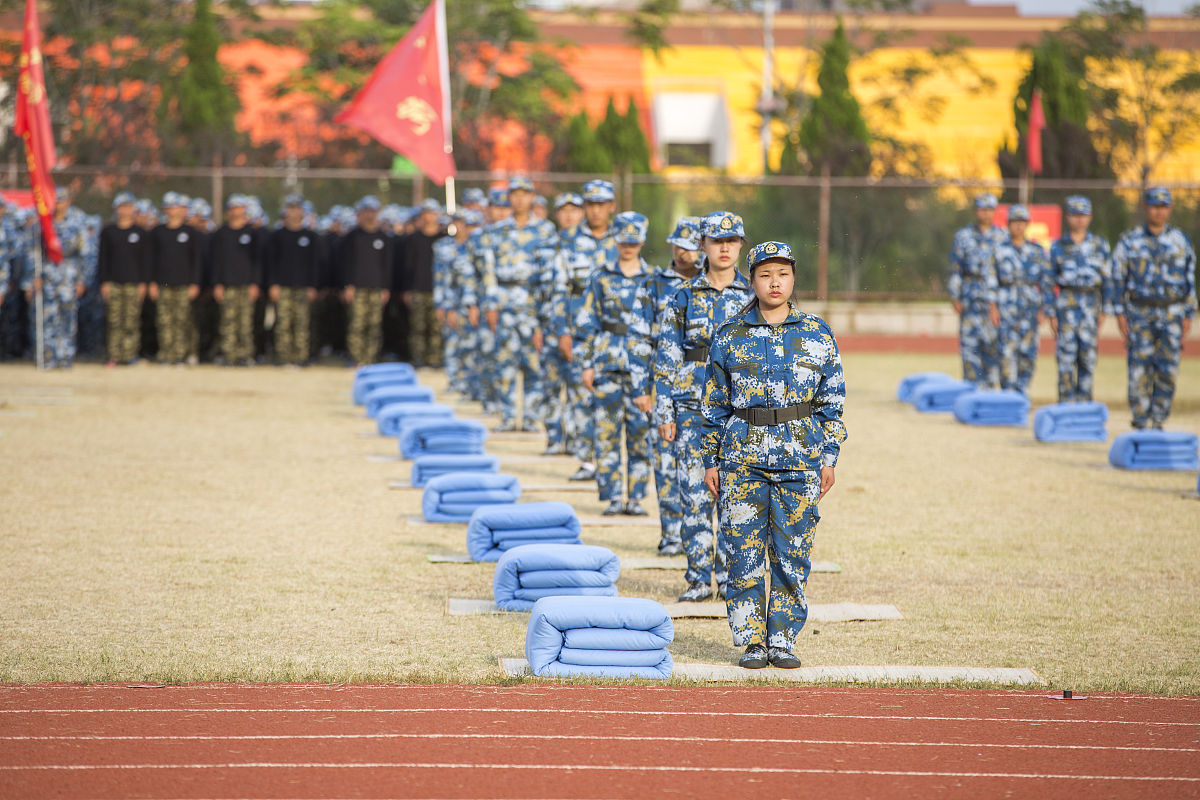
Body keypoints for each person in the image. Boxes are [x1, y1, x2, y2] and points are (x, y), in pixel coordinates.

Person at [701, 241, 847, 670]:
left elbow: (832, 402)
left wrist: (829, 457)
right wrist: (710, 459)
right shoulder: (729, 334)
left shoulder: (817, 333)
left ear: (793, 278)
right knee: (743, 551)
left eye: (782, 274)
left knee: (791, 552)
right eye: (765, 275)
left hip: (800, 458)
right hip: (741, 459)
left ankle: (782, 638)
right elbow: (713, 405)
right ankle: (751, 640)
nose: (774, 282)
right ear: (752, 281)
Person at [654, 211, 753, 602]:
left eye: (732, 240)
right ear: (703, 246)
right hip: (691, 408)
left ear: (741, 245)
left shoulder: (752, 296)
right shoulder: (683, 296)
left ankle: (729, 578)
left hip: (737, 413)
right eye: (717, 240)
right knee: (694, 495)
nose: (725, 247)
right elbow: (666, 355)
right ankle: (697, 579)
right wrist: (664, 411)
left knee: (733, 496)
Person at [631, 216, 702, 555]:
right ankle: (672, 533)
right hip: (665, 386)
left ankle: (703, 534)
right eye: (678, 244)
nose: (682, 251)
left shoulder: (714, 284)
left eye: (689, 245)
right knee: (666, 462)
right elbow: (639, 339)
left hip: (707, 389)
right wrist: (641, 388)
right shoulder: (654, 284)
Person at [577, 211, 654, 516]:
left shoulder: (654, 279)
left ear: (643, 241)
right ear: (616, 240)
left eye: (634, 241)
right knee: (606, 433)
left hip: (641, 368)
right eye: (623, 240)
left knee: (639, 433)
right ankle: (611, 496)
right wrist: (586, 363)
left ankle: (635, 497)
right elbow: (587, 322)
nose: (628, 246)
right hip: (606, 362)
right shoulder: (600, 276)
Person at [476, 177, 557, 431]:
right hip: (505, 302)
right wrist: (490, 304)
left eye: (525, 194)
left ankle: (532, 417)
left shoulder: (546, 230)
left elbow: (552, 273)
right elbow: (488, 270)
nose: (520, 199)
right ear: (509, 198)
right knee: (505, 361)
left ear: (533, 197)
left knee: (535, 362)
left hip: (534, 304)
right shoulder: (496, 231)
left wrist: (547, 310)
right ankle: (509, 416)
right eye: (515, 194)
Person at [1112, 186, 1196, 429]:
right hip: (1140, 313)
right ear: (1145, 207)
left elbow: (1189, 279)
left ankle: (1159, 419)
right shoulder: (1129, 241)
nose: (1158, 212)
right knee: (1139, 368)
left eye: (1163, 207)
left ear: (1169, 209)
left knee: (1167, 368)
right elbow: (1118, 278)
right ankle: (1139, 420)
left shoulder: (1180, 241)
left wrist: (1189, 312)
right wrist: (1119, 312)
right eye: (1154, 206)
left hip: (1172, 313)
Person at [554, 180, 617, 480]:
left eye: (601, 204)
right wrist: (562, 331)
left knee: (616, 396)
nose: (595, 210)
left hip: (616, 330)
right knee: (581, 394)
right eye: (590, 205)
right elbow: (558, 289)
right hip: (580, 328)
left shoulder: (623, 240)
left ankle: (612, 460)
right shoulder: (567, 242)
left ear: (611, 207)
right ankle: (587, 460)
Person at [1047, 195, 1116, 402]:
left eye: (1083, 215)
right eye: (1075, 215)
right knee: (1066, 358)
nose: (1079, 219)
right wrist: (1051, 313)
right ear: (1067, 217)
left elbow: (1108, 280)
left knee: (1087, 357)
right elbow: (1049, 282)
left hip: (1090, 304)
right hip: (1066, 304)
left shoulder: (1099, 245)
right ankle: (1066, 404)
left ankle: (1085, 403)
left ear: (1090, 217)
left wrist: (1105, 310)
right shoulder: (1058, 246)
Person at [22, 188, 89, 369]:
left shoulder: (77, 223)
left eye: (62, 200)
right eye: (56, 201)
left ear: (68, 202)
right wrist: (33, 278)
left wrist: (81, 279)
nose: (59, 204)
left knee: (67, 317)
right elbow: (33, 253)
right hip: (46, 276)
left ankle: (65, 357)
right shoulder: (42, 224)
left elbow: (84, 253)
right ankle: (47, 357)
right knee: (47, 317)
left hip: (69, 275)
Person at [540, 192, 585, 455]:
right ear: (556, 215)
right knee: (552, 386)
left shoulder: (590, 247)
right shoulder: (546, 246)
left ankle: (579, 440)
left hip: (580, 327)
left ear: (581, 213)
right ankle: (555, 438)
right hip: (549, 325)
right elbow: (539, 290)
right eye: (563, 210)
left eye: (574, 210)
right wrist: (537, 326)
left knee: (580, 388)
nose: (569, 215)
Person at [993, 204, 1051, 394]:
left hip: (1029, 310)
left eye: (1022, 222)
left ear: (1027, 225)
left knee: (1028, 355)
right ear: (1008, 224)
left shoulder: (1037, 251)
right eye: (1014, 222)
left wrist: (1045, 309)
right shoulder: (999, 250)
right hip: (1006, 308)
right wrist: (992, 306)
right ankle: (1007, 395)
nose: (1018, 226)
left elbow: (1045, 282)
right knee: (1005, 354)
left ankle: (1022, 393)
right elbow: (991, 280)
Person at [948, 193, 1003, 388]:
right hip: (970, 297)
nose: (985, 214)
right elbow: (956, 268)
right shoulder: (963, 236)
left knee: (992, 346)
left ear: (994, 212)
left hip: (993, 302)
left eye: (989, 210)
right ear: (976, 211)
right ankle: (970, 391)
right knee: (970, 348)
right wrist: (955, 296)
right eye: (982, 209)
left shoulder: (1002, 237)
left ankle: (989, 391)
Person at [265, 193, 324, 366]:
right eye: (290, 208)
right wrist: (273, 284)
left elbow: (315, 264)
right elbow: (271, 262)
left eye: (297, 208)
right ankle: (283, 357)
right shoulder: (276, 236)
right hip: (282, 286)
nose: (294, 212)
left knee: (301, 322)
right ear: (285, 211)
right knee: (283, 322)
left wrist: (313, 286)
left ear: (302, 212)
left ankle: (300, 357)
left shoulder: (311, 237)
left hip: (303, 287)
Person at [339, 195, 394, 366]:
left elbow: (387, 265)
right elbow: (345, 263)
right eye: (366, 212)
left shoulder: (384, 238)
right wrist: (347, 285)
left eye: (373, 212)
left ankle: (371, 358)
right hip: (357, 289)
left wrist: (385, 287)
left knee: (374, 325)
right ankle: (356, 358)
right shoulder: (351, 237)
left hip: (377, 288)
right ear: (359, 214)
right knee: (357, 324)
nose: (370, 216)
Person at [148, 191, 202, 365]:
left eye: (178, 207)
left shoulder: (191, 233)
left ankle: (181, 355)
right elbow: (151, 259)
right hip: (163, 284)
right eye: (171, 207)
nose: (174, 210)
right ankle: (166, 354)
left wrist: (195, 282)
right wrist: (152, 282)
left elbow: (196, 260)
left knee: (182, 320)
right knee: (164, 321)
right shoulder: (158, 232)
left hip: (184, 284)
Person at [97, 191, 149, 366]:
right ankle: (114, 355)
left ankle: (129, 354)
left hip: (134, 283)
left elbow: (145, 260)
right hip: (114, 283)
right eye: (122, 207)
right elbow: (103, 259)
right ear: (116, 209)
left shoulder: (140, 233)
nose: (125, 210)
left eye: (128, 207)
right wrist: (104, 282)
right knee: (114, 320)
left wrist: (143, 283)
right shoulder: (108, 232)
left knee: (131, 320)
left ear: (134, 209)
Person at [210, 194, 262, 366]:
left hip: (246, 285)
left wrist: (255, 283)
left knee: (245, 322)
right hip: (227, 284)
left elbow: (257, 261)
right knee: (228, 322)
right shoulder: (221, 234)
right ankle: (228, 355)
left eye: (239, 207)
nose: (236, 211)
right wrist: (217, 283)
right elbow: (215, 260)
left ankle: (244, 355)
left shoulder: (252, 234)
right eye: (233, 208)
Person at [400, 198, 448, 368]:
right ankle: (418, 358)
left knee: (437, 328)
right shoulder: (413, 239)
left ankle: (435, 359)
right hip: (418, 289)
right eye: (425, 213)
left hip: (439, 290)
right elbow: (407, 266)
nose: (429, 217)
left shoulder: (445, 238)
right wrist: (407, 289)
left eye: (432, 213)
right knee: (417, 327)